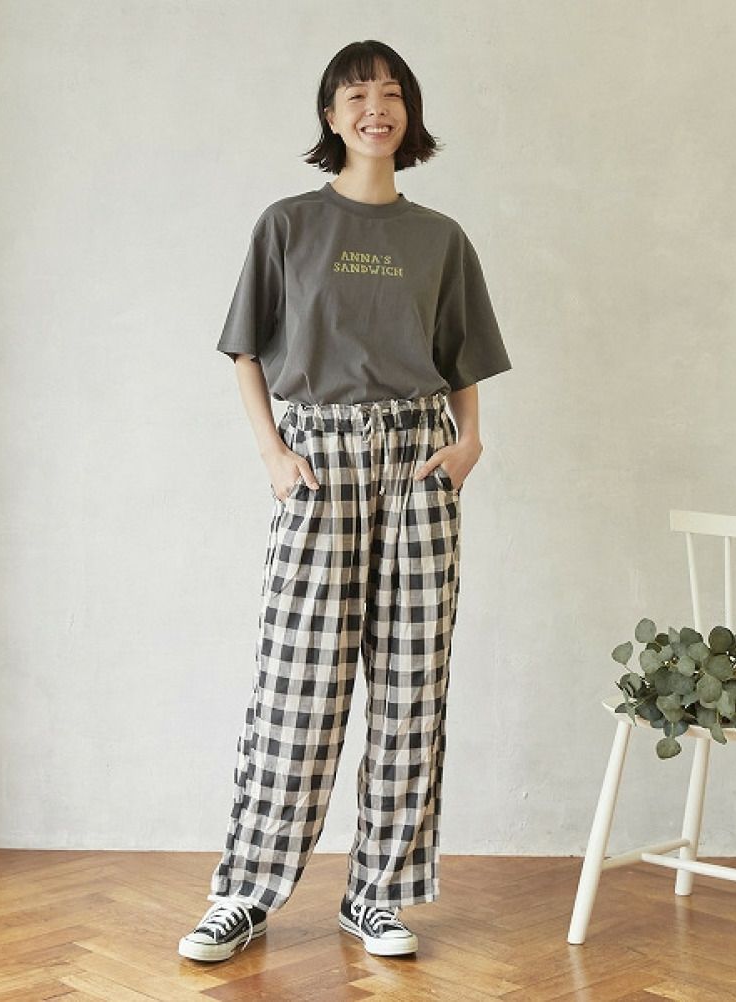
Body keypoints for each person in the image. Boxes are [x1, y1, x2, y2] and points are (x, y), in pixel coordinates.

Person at [179, 39, 512, 964]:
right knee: (298, 687)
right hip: (317, 462)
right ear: (330, 116)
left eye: (393, 93)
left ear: (410, 114)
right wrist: (273, 454)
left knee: (411, 687)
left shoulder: (440, 237)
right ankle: (245, 892)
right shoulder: (288, 224)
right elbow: (247, 349)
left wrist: (469, 441)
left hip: (416, 462)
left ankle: (379, 896)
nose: (377, 107)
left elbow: (464, 355)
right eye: (358, 94)